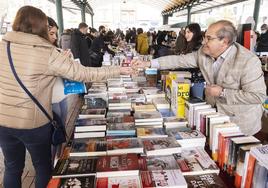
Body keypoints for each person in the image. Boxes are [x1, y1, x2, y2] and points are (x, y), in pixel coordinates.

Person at [0, 6, 131, 188]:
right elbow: (84, 74)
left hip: (3, 122)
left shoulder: (2, 45)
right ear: (40, 26)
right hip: (33, 123)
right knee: (43, 167)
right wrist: (118, 69)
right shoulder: (46, 52)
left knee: (12, 167)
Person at [132, 20, 267, 136]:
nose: (203, 41)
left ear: (224, 42)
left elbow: (258, 96)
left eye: (209, 38)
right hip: (212, 118)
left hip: (240, 124)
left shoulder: (248, 61)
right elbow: (179, 61)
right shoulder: (203, 53)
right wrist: (149, 63)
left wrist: (222, 92)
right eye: (204, 36)